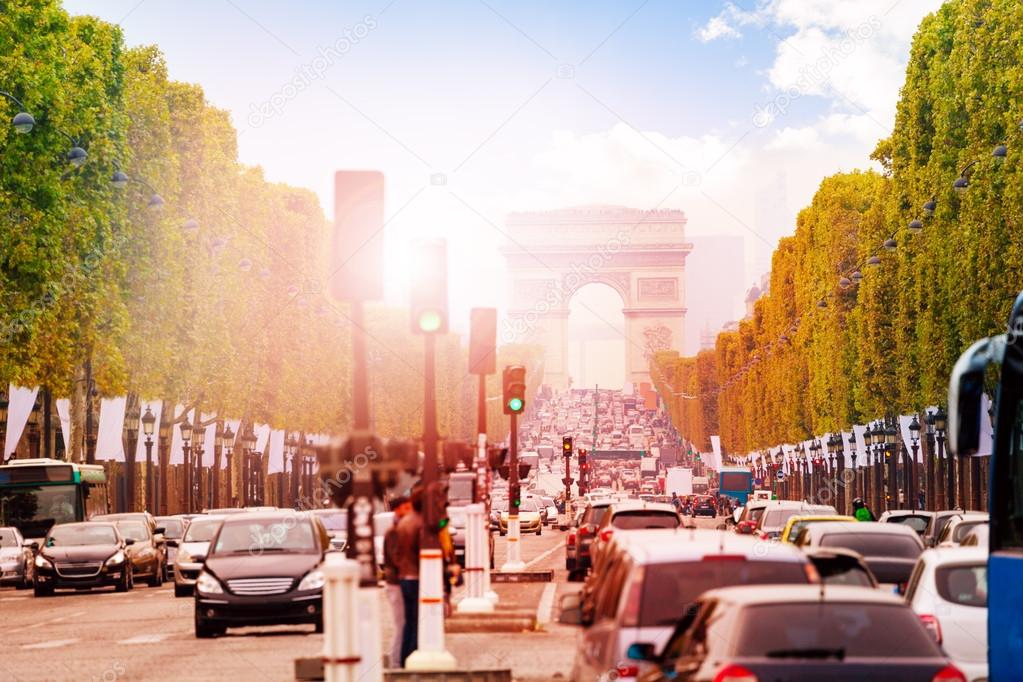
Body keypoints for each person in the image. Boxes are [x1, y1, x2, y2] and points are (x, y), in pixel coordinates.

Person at [394, 486, 424, 667]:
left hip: (404, 576)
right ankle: (412, 656)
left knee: (409, 622)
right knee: (417, 621)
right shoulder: (419, 523)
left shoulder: (404, 522)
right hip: (415, 576)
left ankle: (405, 657)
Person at [382, 496, 411, 669]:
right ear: (398, 509)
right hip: (396, 583)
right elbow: (396, 559)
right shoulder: (394, 531)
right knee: (401, 625)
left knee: (405, 624)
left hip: (400, 582)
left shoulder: (399, 528)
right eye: (406, 507)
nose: (409, 511)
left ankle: (401, 660)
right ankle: (395, 663)